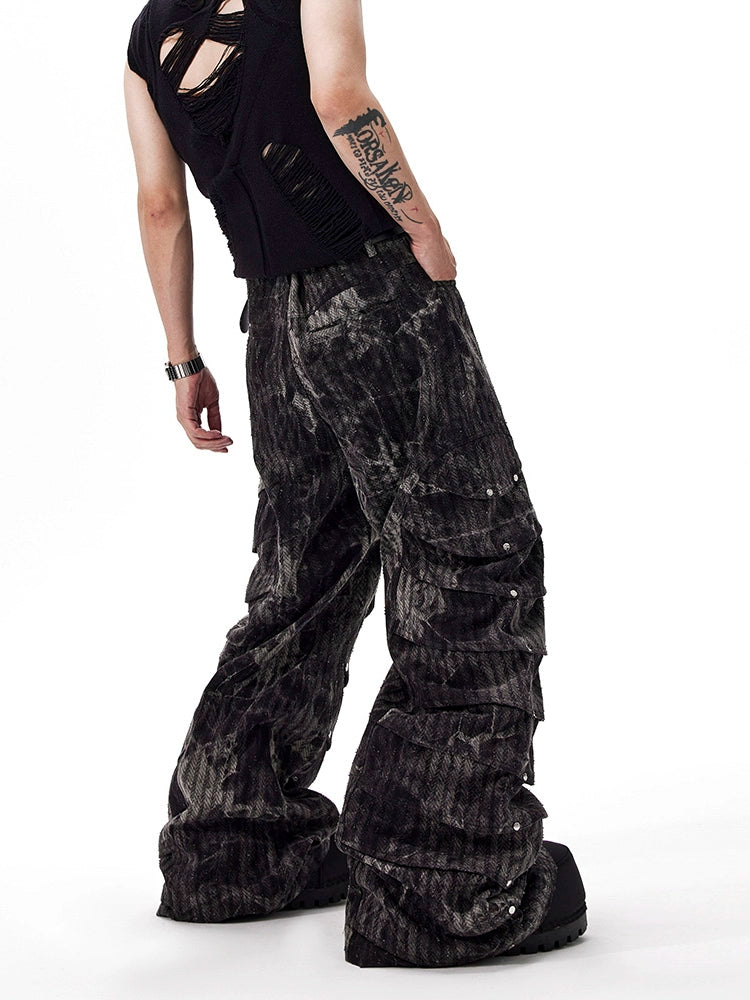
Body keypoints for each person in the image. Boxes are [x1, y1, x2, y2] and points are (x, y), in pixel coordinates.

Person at [123, 0, 587, 968]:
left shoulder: (146, 36)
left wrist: (183, 357)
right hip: (373, 293)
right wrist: (426, 230)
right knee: (471, 559)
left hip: (273, 330)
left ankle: (232, 845)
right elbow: (341, 99)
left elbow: (160, 204)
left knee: (303, 578)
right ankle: (439, 877)